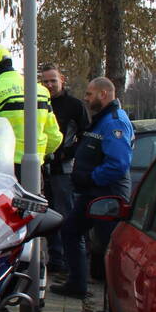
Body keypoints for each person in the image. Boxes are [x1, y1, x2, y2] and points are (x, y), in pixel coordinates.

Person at [52, 77, 133, 298]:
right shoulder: (101, 120)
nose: (86, 99)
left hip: (108, 195)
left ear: (103, 94)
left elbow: (118, 164)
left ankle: (115, 300)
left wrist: (91, 178)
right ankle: (77, 284)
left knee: (108, 247)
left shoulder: (114, 122)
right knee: (70, 229)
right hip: (93, 193)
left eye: (89, 94)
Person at [0, 43, 62, 182]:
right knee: (33, 202)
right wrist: (42, 155)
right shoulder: (41, 90)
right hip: (34, 169)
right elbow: (54, 136)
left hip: (2, 169)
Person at [38, 64, 89, 274]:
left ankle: (72, 264)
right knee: (47, 216)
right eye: (45, 81)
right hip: (42, 168)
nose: (49, 85)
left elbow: (86, 136)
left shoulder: (75, 105)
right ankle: (56, 260)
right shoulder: (37, 103)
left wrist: (68, 153)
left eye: (53, 80)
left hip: (64, 170)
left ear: (62, 80)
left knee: (66, 216)